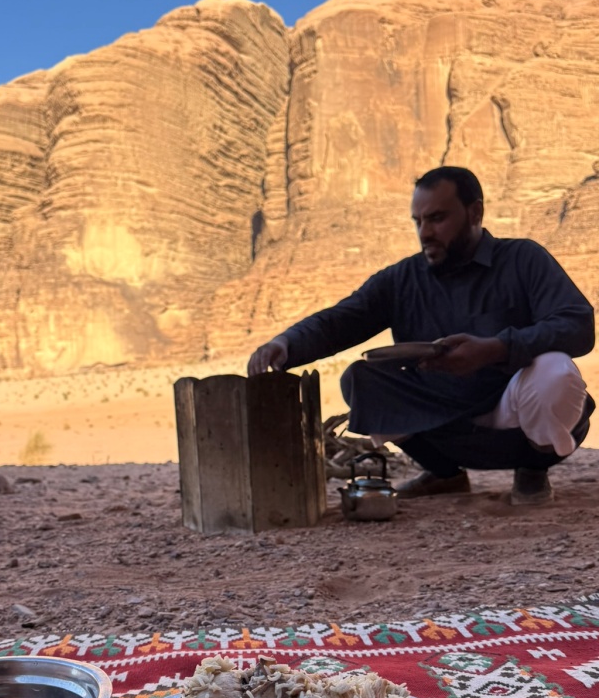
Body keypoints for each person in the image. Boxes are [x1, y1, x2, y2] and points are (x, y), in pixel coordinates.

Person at [247, 166, 595, 505]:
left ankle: (532, 472)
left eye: (437, 219)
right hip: (440, 415)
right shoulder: (403, 279)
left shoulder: (522, 258)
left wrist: (496, 348)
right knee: (360, 380)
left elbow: (576, 323)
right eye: (418, 221)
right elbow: (341, 320)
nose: (425, 232)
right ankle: (444, 474)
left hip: (511, 409)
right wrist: (285, 344)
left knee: (555, 370)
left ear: (475, 213)